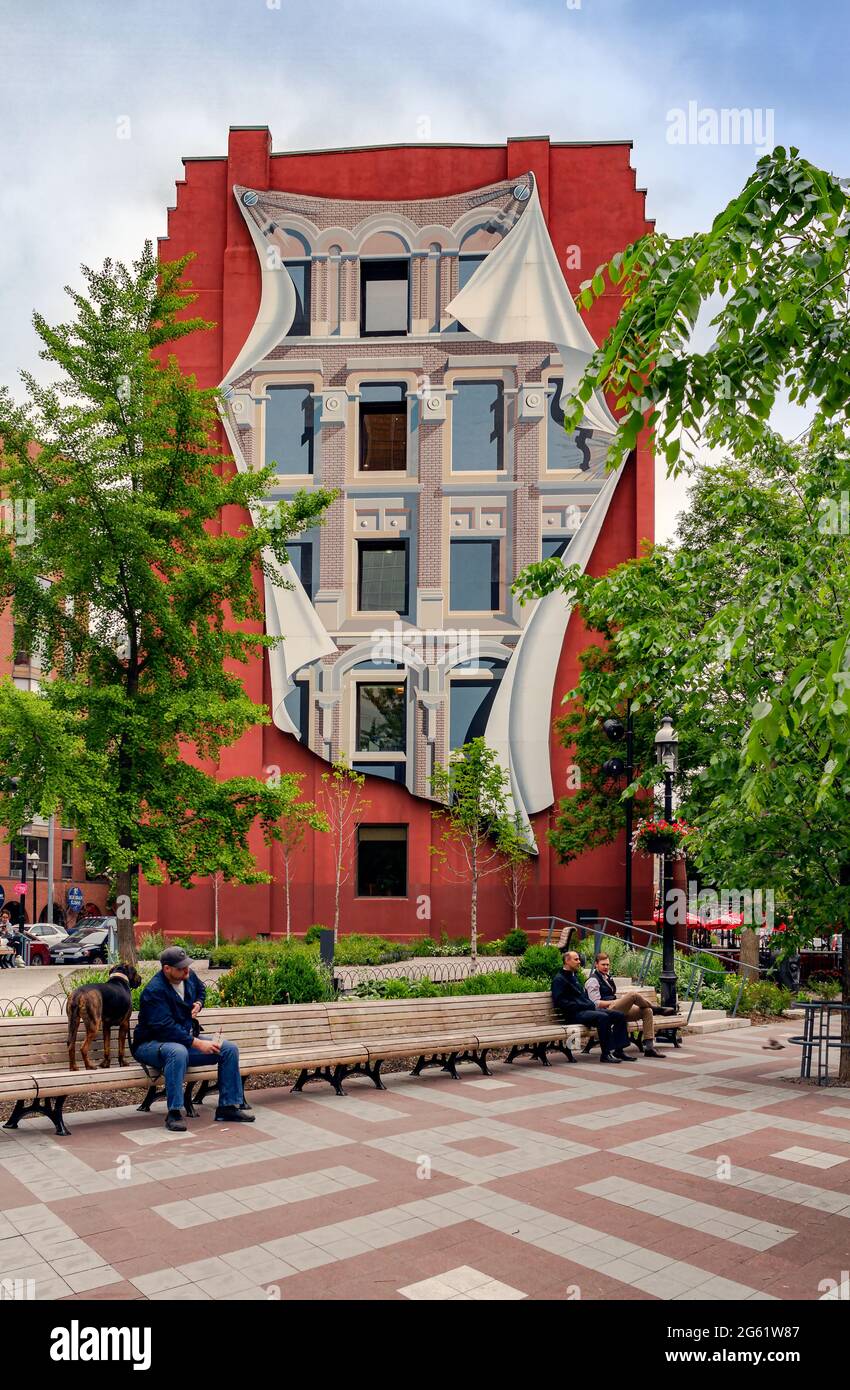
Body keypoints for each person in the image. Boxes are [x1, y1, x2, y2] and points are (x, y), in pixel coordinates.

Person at [131, 945, 255, 1132]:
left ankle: (227, 1107)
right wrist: (198, 1043)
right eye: (181, 967)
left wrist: (198, 1003)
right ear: (167, 969)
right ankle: (174, 1113)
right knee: (177, 1052)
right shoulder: (154, 991)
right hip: (151, 1044)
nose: (186, 970)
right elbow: (166, 1029)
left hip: (181, 1040)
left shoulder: (188, 977)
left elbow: (201, 989)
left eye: (187, 965)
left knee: (229, 1049)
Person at [552, 949, 635, 1064]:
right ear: (567, 961)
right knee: (603, 1017)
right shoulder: (559, 979)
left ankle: (619, 1050)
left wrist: (588, 1004)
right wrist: (583, 1005)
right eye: (576, 959)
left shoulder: (573, 976)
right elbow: (560, 1002)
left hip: (585, 1011)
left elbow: (582, 997)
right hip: (574, 1015)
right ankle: (605, 1054)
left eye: (578, 959)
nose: (579, 961)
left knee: (619, 1015)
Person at [585, 951, 666, 1059]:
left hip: (616, 1009)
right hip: (605, 1011)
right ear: (596, 964)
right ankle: (658, 1009)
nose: (606, 967)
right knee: (633, 995)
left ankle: (649, 1048)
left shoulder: (607, 978)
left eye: (607, 965)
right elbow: (595, 1003)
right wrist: (614, 1002)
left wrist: (618, 1001)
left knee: (647, 1011)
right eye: (603, 964)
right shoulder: (593, 980)